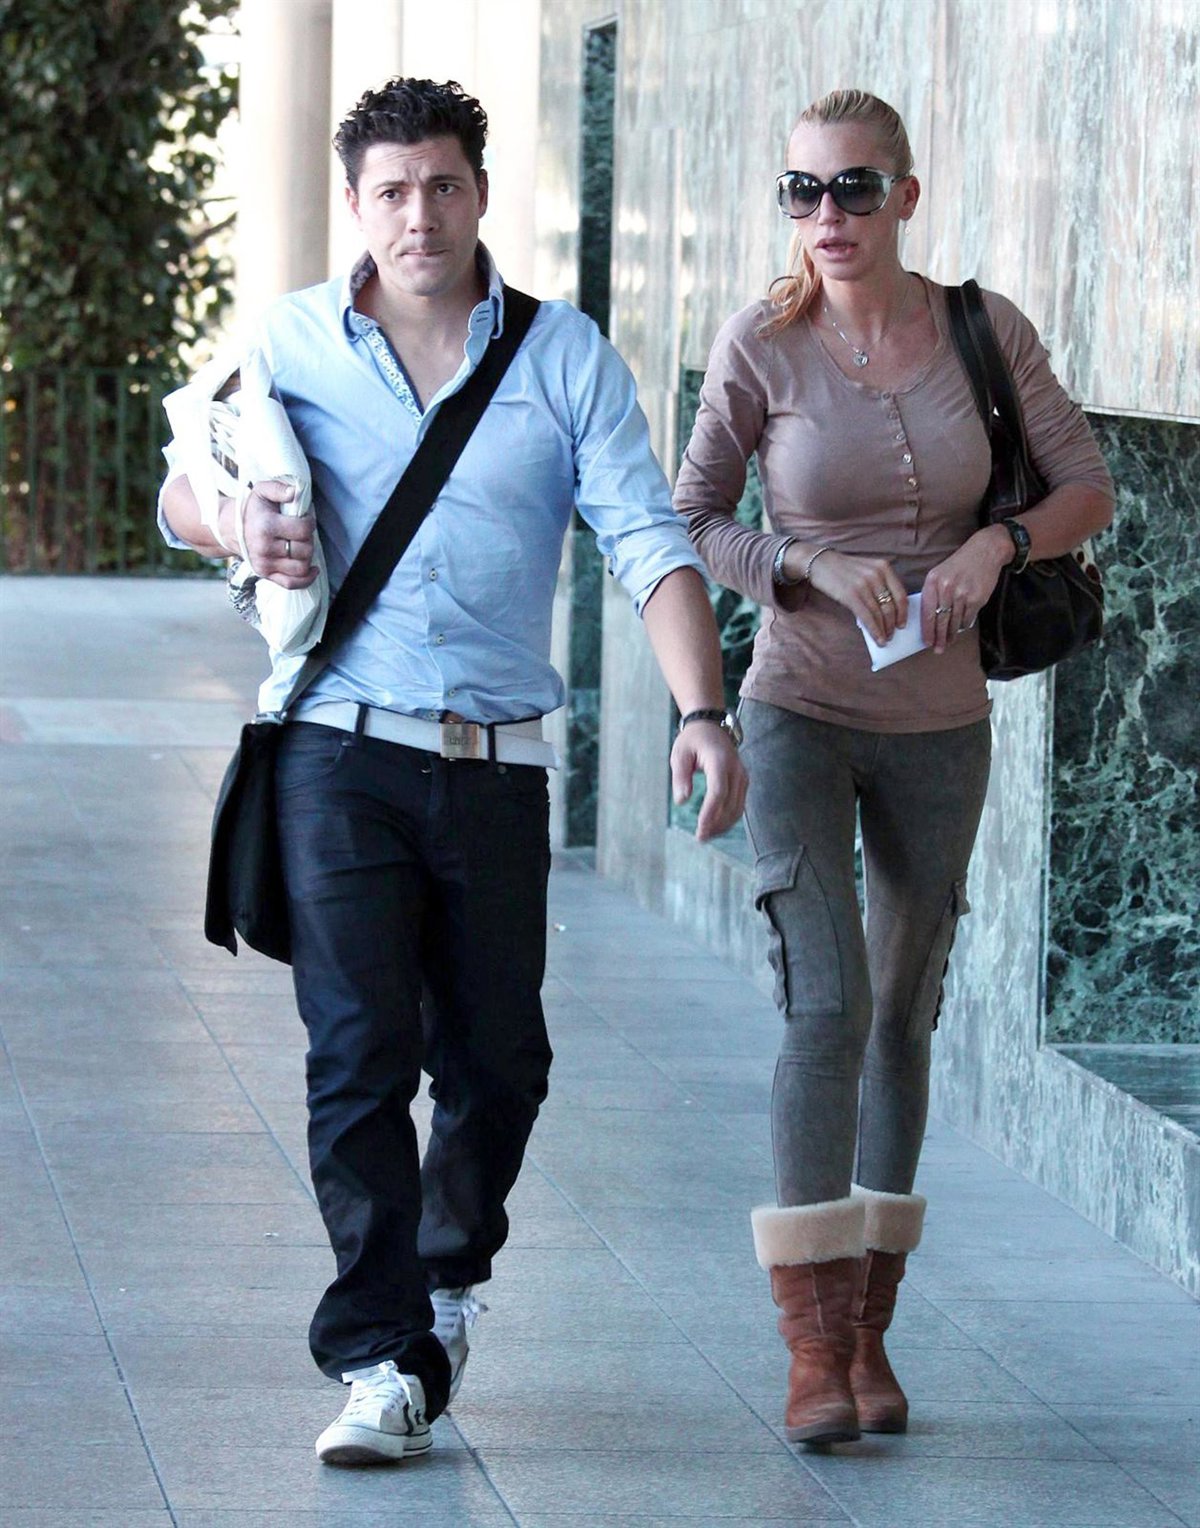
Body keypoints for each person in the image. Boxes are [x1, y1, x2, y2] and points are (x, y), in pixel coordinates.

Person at [159, 77, 746, 1466]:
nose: (416, 214)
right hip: (337, 748)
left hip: (492, 766)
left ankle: (445, 1276)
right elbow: (186, 487)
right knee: (356, 1050)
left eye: (441, 186)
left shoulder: (563, 357)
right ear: (355, 204)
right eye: (390, 191)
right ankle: (377, 1355)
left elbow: (647, 541)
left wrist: (704, 710)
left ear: (479, 194)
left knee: (498, 1061)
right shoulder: (293, 340)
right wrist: (236, 521)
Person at [674, 88, 1113, 1446]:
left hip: (941, 722)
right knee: (827, 1002)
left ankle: (869, 1333)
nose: (827, 215)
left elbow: (1086, 483)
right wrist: (803, 561)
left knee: (903, 1015)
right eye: (801, 190)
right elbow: (693, 516)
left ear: (906, 196)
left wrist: (999, 544)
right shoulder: (761, 343)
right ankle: (811, 1350)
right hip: (799, 705)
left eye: (854, 188)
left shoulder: (982, 329)